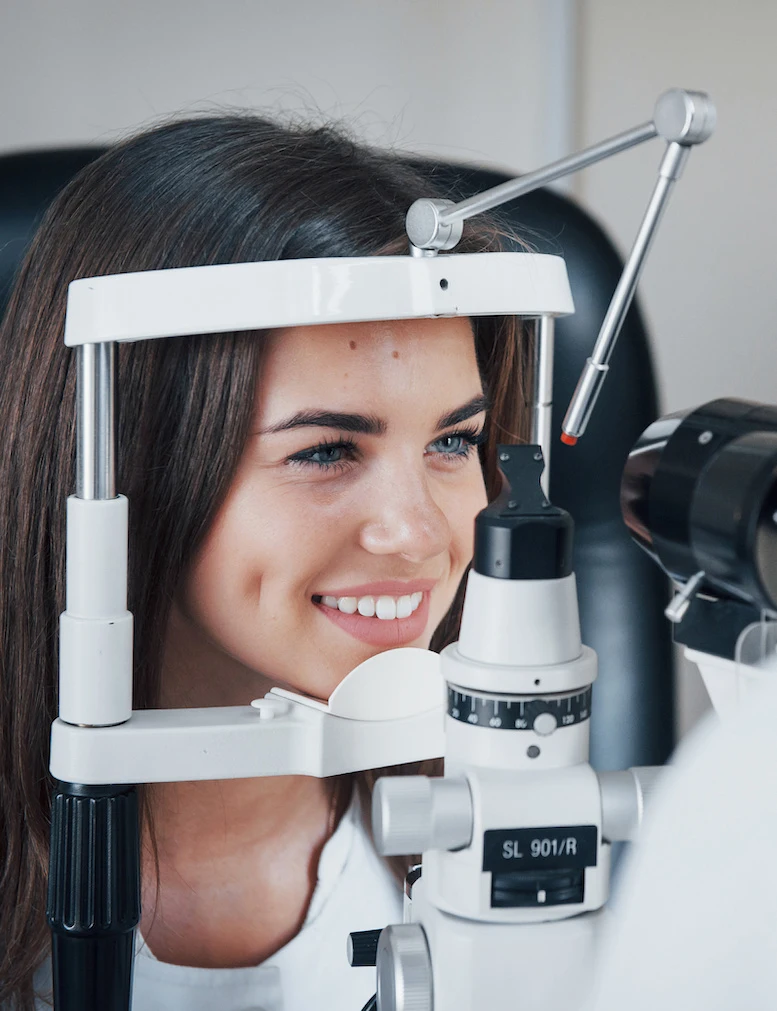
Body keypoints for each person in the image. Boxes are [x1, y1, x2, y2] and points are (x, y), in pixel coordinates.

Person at [0, 115, 529, 1011]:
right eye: (325, 451)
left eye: (453, 441)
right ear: (129, 464)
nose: (418, 535)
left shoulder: (494, 832)